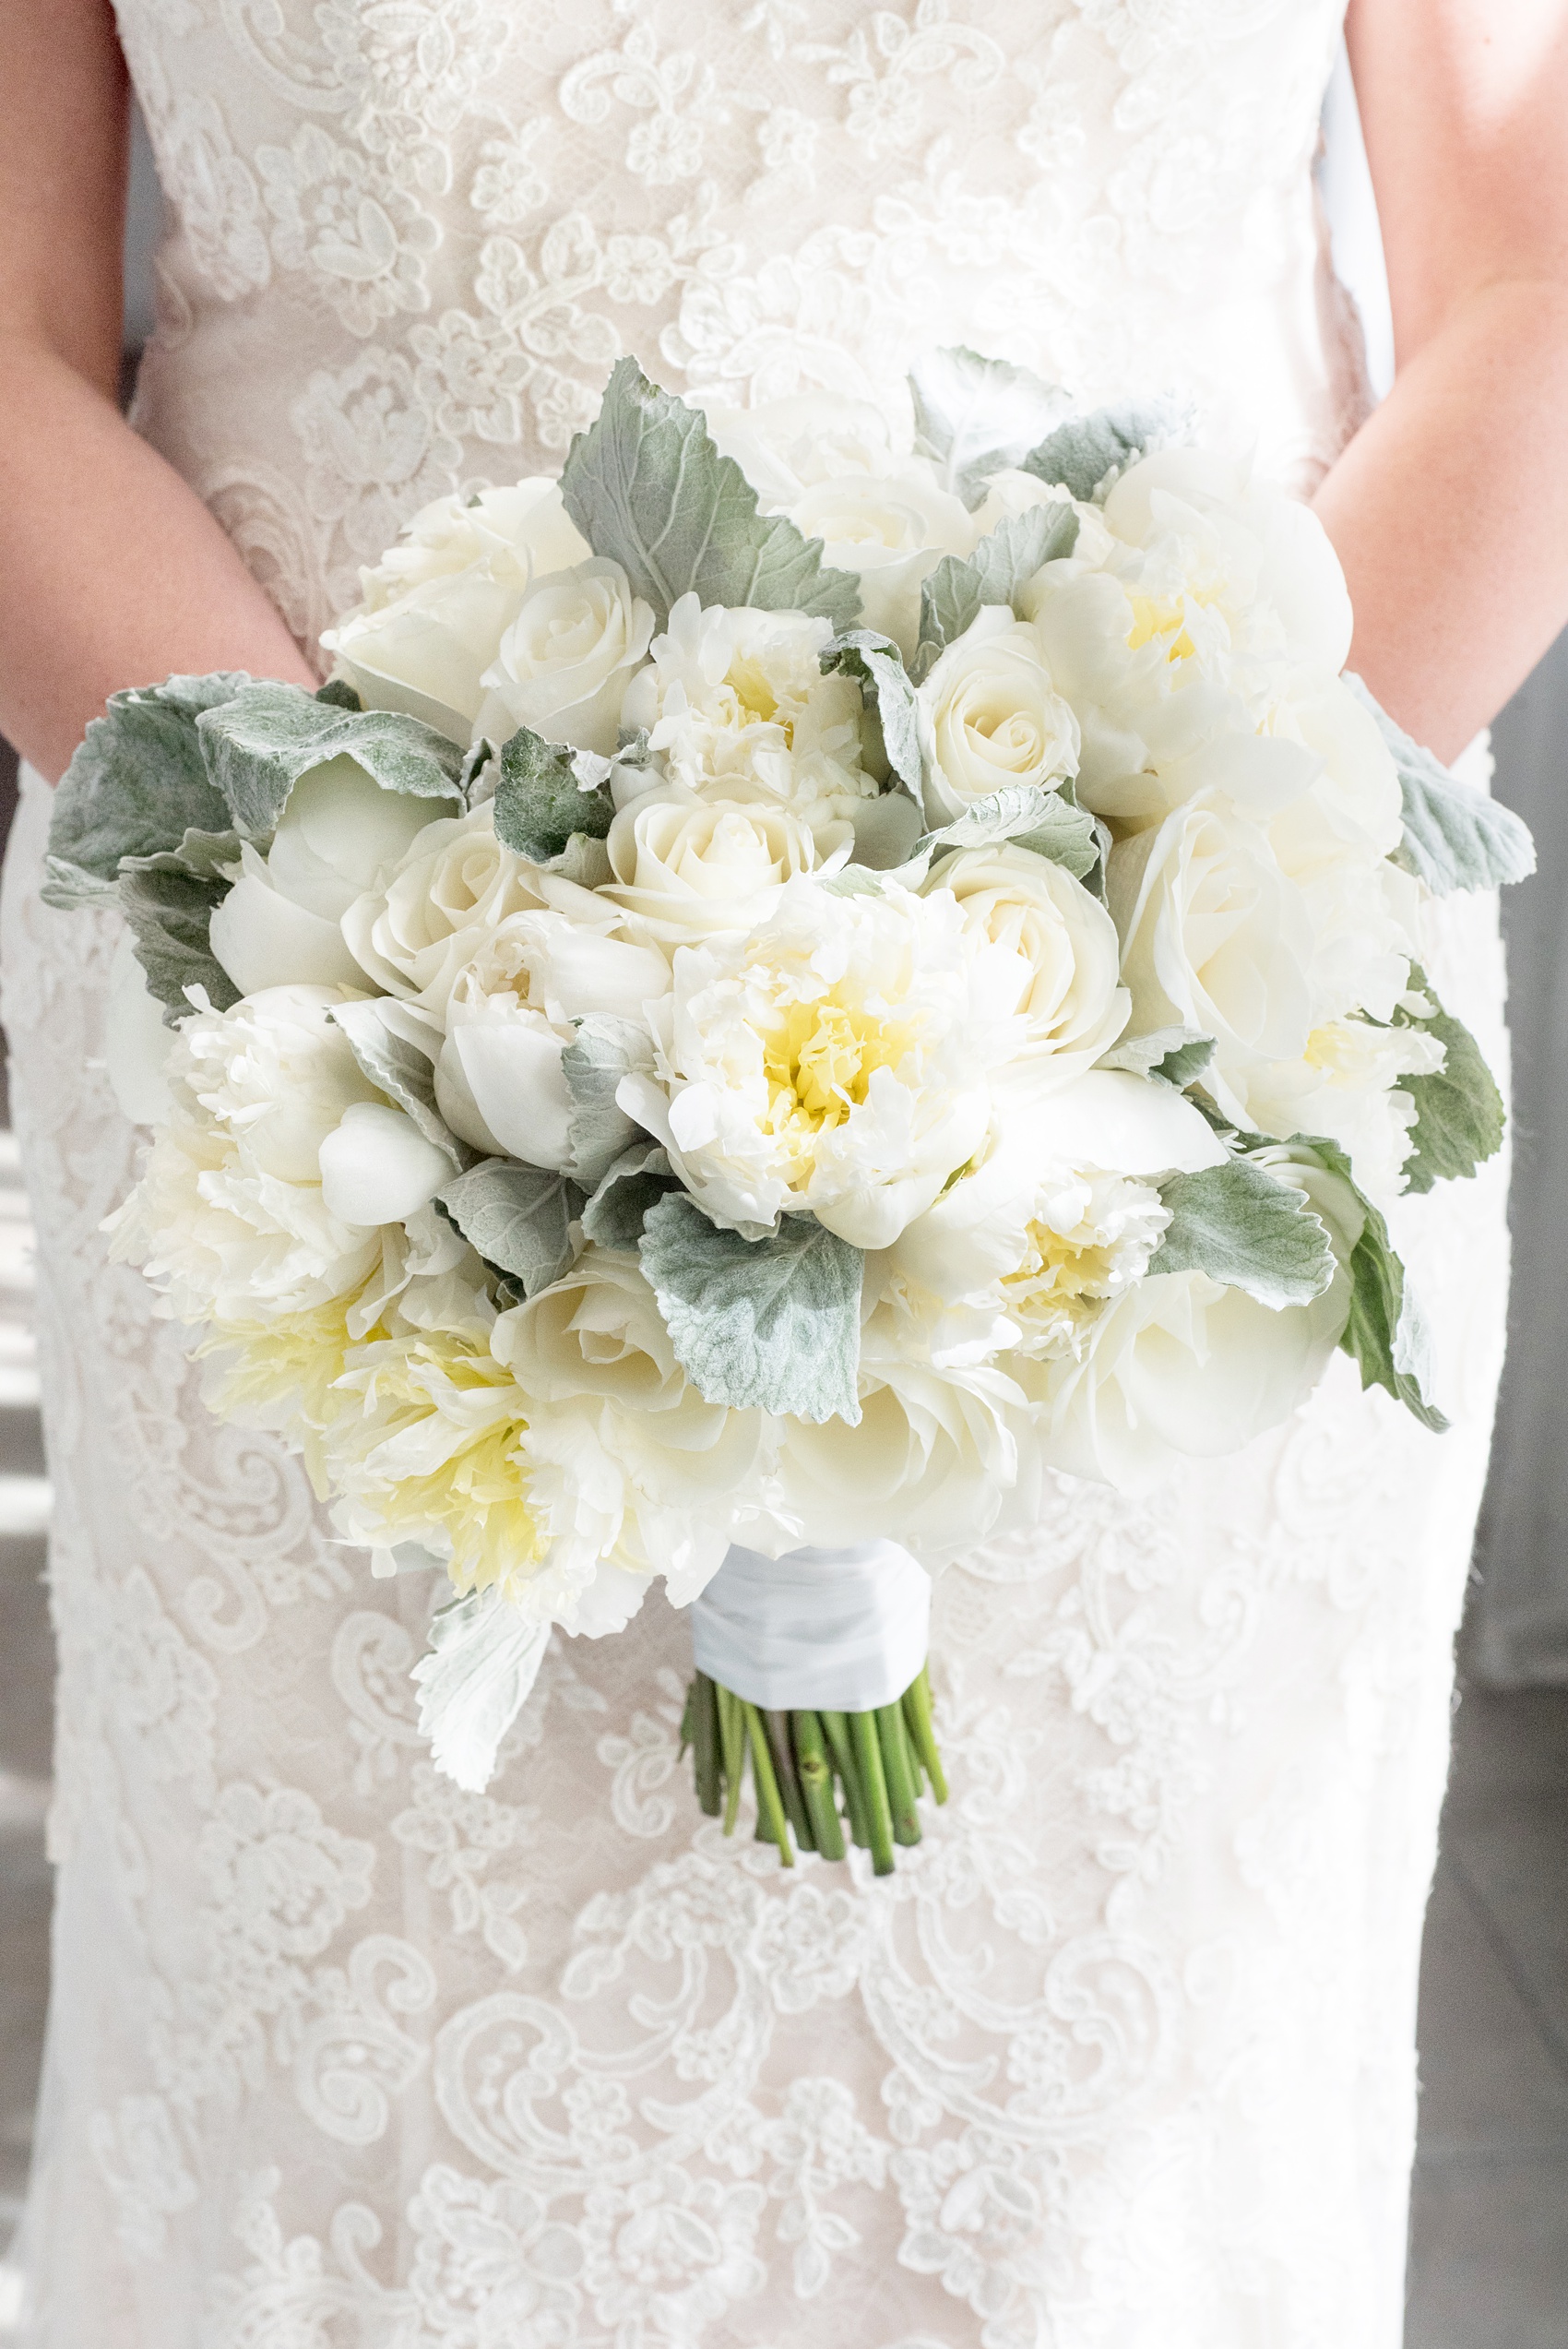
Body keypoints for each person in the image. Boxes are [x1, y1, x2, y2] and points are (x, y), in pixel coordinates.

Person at [0, 3, 1562, 2340]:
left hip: (1190, 1042)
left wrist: (1133, 999)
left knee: (1079, 2177)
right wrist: (408, 1000)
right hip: (306, 1048)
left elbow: (1527, 277)